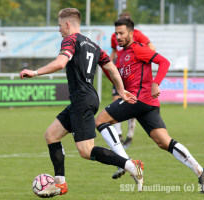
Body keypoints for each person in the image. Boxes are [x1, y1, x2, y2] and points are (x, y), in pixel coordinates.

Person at [20, 8, 144, 197]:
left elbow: (61, 63)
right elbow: (111, 68)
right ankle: (60, 184)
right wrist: (121, 90)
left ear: (68, 24)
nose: (59, 29)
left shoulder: (70, 40)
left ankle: (130, 165)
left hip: (81, 100)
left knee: (86, 151)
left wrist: (35, 72)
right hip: (86, 98)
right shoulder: (93, 44)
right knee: (51, 135)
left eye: (60, 25)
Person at [96, 17, 204, 194]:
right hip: (146, 103)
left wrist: (156, 82)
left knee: (100, 120)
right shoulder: (121, 56)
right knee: (163, 141)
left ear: (131, 33)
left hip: (139, 99)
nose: (118, 37)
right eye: (116, 34)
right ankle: (201, 171)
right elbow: (115, 78)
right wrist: (103, 64)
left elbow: (164, 62)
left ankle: (125, 162)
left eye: (121, 33)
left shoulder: (138, 48)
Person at [110, 12, 155, 149]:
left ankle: (130, 135)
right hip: (119, 72)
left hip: (132, 74)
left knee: (131, 102)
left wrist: (138, 59)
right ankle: (119, 134)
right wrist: (108, 63)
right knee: (116, 100)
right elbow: (113, 52)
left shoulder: (138, 35)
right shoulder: (114, 36)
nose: (119, 36)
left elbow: (152, 48)